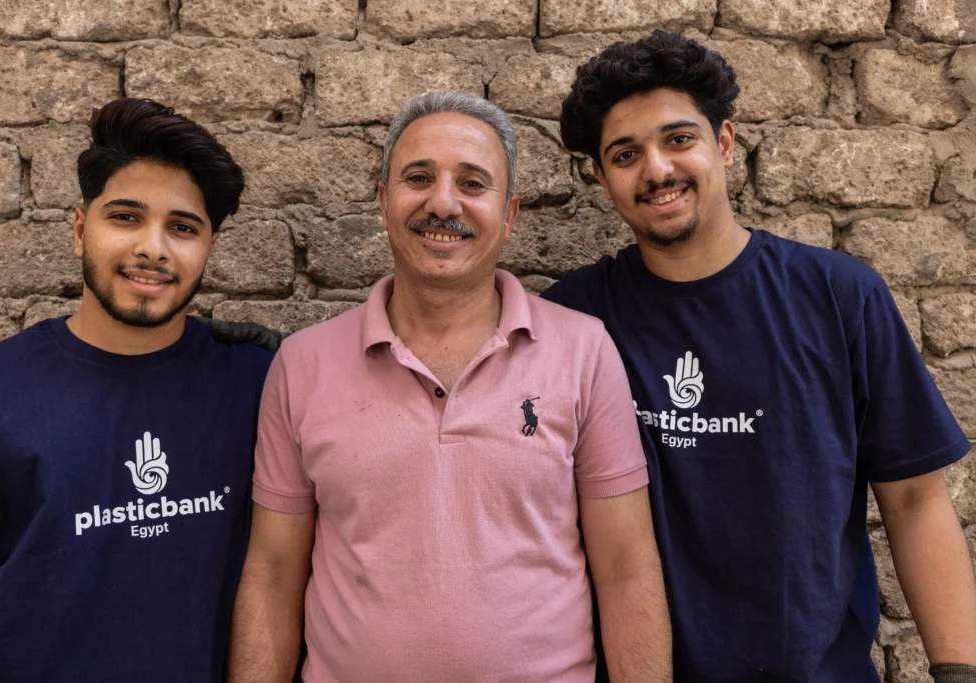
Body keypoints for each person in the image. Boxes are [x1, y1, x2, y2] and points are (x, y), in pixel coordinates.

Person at [543, 30, 976, 683]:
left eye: (679, 139)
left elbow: (915, 499)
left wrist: (958, 671)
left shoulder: (840, 296)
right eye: (626, 154)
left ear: (724, 142)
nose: (657, 169)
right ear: (602, 178)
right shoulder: (576, 317)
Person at [228, 92, 672, 683]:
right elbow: (274, 572)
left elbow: (626, 570)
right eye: (419, 178)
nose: (443, 202)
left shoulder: (583, 350)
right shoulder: (302, 364)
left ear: (509, 215)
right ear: (384, 202)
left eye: (472, 183)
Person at [0, 98, 273, 682]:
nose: (153, 247)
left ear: (208, 250)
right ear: (80, 230)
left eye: (183, 227)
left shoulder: (261, 385)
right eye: (125, 217)